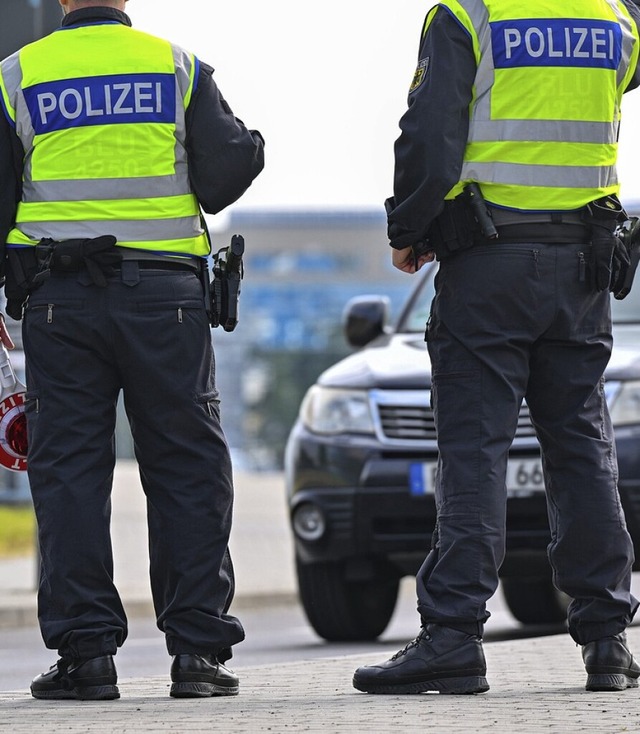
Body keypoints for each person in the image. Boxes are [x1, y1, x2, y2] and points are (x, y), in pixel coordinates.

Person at [353, 0, 640, 695]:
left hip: (490, 262)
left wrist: (409, 226)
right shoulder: (618, 18)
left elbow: (430, 132)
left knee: (474, 448)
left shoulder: (468, 15)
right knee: (579, 444)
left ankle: (452, 637)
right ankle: (606, 639)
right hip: (583, 265)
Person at [0, 0, 264, 700]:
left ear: (61, 1)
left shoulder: (16, 76)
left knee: (70, 474)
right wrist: (252, 142)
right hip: (166, 302)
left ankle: (87, 658)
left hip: (59, 301)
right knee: (185, 465)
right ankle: (199, 654)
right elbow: (224, 175)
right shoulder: (177, 67)